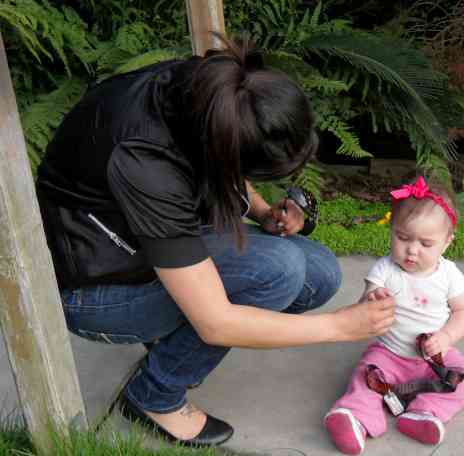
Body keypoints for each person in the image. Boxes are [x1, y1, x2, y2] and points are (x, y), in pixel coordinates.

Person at [36, 35, 395, 447]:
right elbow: (215, 321)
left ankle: (169, 334)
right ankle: (155, 395)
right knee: (277, 272)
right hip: (92, 285)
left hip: (139, 238)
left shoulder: (217, 87)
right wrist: (339, 327)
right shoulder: (146, 162)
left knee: (319, 274)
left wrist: (262, 212)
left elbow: (226, 161)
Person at [324, 176, 464, 455]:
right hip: (388, 354)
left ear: (446, 243)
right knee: (365, 376)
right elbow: (364, 306)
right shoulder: (385, 271)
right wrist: (372, 299)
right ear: (392, 231)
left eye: (426, 243)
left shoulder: (449, 275)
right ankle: (354, 417)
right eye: (402, 237)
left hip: (434, 358)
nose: (412, 250)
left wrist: (446, 337)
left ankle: (424, 414)